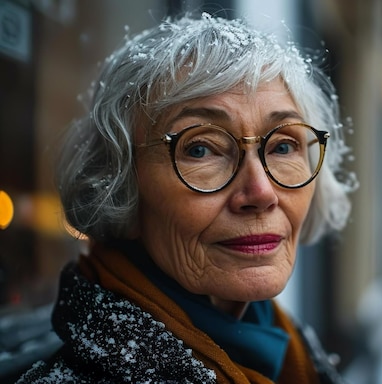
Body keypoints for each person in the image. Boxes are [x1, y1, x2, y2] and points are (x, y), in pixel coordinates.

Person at [17, 12, 356, 383]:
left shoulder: (292, 355)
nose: (261, 192)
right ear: (118, 182)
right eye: (200, 150)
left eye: (283, 145)